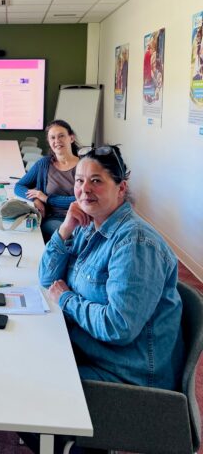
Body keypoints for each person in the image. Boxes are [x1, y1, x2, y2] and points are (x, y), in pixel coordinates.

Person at [39, 145, 184, 390]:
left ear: (121, 188)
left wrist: (66, 299)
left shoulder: (135, 244)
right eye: (80, 180)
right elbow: (47, 279)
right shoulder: (89, 223)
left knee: (38, 382)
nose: (85, 189)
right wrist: (65, 229)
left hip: (126, 375)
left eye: (96, 181)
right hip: (90, 349)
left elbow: (118, 327)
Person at [14, 120, 79, 241]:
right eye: (52, 138)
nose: (57, 141)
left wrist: (46, 199)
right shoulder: (44, 164)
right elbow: (19, 186)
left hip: (80, 218)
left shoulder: (85, 165)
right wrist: (35, 199)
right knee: (70, 236)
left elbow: (82, 200)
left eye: (61, 136)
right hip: (53, 219)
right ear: (49, 142)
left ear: (71, 138)